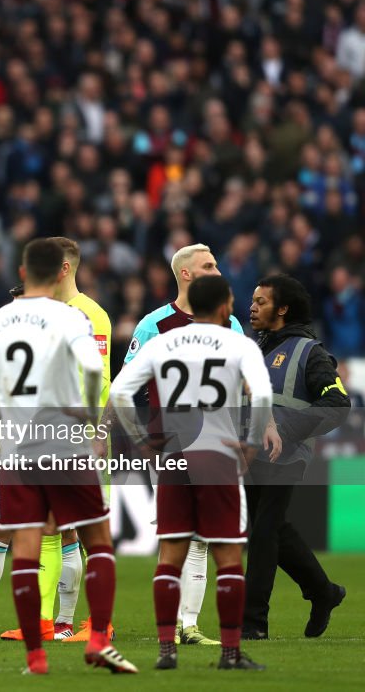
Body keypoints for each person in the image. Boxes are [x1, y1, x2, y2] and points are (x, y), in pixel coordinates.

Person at [0, 237, 114, 643]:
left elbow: (99, 380)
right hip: (31, 436)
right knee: (10, 525)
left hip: (59, 436)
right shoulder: (59, 319)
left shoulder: (84, 315)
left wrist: (91, 428)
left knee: (63, 530)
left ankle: (61, 625)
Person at [0, 238, 136, 675]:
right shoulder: (73, 318)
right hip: (68, 441)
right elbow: (93, 376)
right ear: (61, 270)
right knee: (95, 537)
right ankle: (96, 637)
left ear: (25, 272)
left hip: (19, 445)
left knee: (26, 545)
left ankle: (36, 655)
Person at [111, 275, 273, 671]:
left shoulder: (162, 343)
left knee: (170, 557)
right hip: (217, 456)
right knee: (228, 557)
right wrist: (250, 443)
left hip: (173, 456)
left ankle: (167, 650)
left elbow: (118, 392)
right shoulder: (238, 343)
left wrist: (141, 440)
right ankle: (230, 653)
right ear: (223, 305)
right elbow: (263, 395)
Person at [121, 242, 244, 646]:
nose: (218, 269)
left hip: (219, 444)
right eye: (209, 265)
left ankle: (187, 625)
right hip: (173, 446)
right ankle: (176, 625)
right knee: (180, 535)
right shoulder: (154, 325)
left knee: (204, 539)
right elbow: (128, 386)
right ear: (186, 274)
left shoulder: (232, 322)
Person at [243, 274, 349, 640]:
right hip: (250, 452)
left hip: (286, 454)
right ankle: (324, 592)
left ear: (283, 309)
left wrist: (287, 432)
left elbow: (338, 404)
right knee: (268, 530)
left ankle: (253, 624)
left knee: (262, 534)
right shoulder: (253, 348)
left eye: (261, 302)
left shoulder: (309, 352)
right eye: (252, 300)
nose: (252, 307)